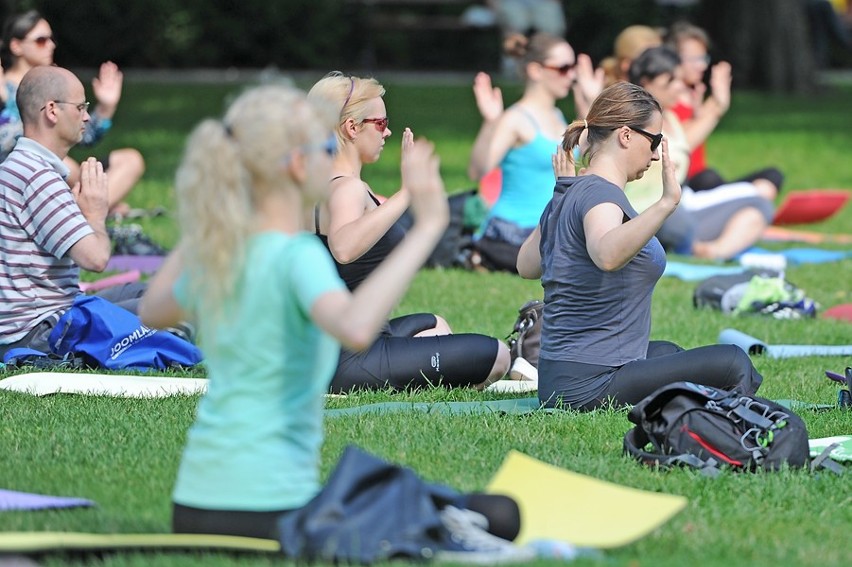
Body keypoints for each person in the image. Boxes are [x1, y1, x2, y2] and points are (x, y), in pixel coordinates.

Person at [137, 84, 527, 560]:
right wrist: (426, 226)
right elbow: (356, 329)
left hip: (193, 508)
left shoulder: (225, 253)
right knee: (500, 512)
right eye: (324, 147)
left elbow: (152, 312)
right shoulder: (296, 256)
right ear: (301, 165)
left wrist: (210, 217)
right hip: (271, 509)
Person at [515, 81, 763, 411]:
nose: (658, 152)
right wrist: (665, 204)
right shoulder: (600, 193)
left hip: (560, 378)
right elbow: (605, 255)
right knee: (732, 361)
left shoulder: (573, 191)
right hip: (591, 384)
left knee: (669, 353)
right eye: (655, 140)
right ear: (626, 135)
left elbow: (526, 266)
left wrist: (559, 194)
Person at [307, 72, 512, 392]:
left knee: (435, 326)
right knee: (499, 355)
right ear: (351, 128)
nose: (387, 131)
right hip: (354, 361)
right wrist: (407, 194)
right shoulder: (347, 189)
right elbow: (343, 247)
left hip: (325, 352)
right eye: (380, 122)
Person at [0, 65, 147, 359]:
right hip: (40, 332)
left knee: (158, 295)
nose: (86, 116)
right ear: (52, 110)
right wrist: (94, 213)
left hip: (52, 315)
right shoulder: (37, 177)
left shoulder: (26, 167)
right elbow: (96, 258)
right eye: (80, 107)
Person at [624, 46, 777, 259]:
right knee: (675, 220)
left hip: (678, 212)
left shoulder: (672, 122)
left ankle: (712, 252)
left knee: (760, 205)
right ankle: (687, 242)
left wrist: (719, 104)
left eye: (680, 80)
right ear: (647, 83)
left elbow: (698, 127)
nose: (679, 87)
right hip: (644, 214)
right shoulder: (630, 122)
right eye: (671, 81)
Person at [0, 10, 145, 216]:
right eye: (41, 40)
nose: (51, 45)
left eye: (51, 39)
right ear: (16, 46)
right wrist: (3, 103)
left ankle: (86, 214)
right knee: (67, 166)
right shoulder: (3, 88)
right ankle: (91, 214)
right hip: (20, 178)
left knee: (130, 160)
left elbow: (84, 137)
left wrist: (106, 107)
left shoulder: (55, 83)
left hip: (61, 174)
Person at [467, 32, 575, 272]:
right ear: (536, 70)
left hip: (547, 230)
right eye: (564, 68)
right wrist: (490, 123)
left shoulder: (558, 117)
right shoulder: (515, 119)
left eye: (573, 67)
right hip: (512, 232)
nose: (572, 75)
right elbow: (477, 171)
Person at [665, 21, 784, 195]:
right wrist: (717, 107)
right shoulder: (663, 100)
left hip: (702, 181)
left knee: (772, 176)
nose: (702, 66)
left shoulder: (693, 94)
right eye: (694, 59)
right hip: (683, 186)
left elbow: (698, 125)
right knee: (709, 178)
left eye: (704, 58)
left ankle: (745, 204)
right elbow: (679, 143)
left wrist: (714, 103)